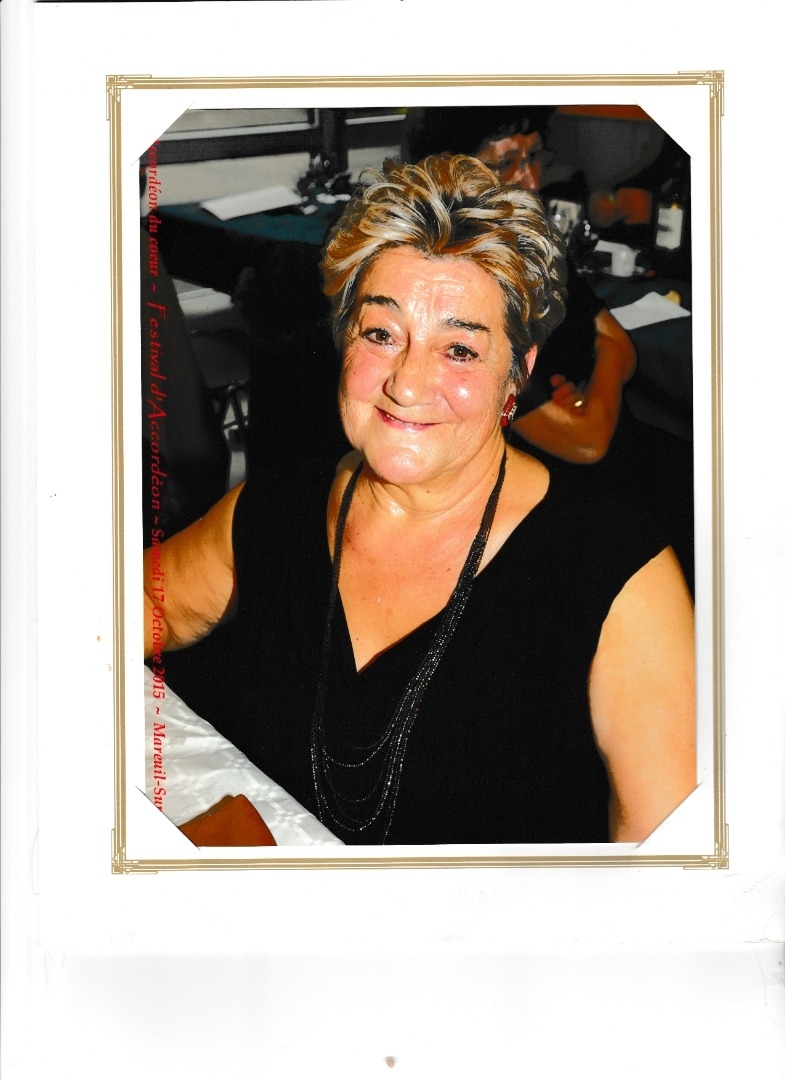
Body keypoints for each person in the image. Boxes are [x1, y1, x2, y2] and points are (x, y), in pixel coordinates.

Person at [144, 155, 695, 847]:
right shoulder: (273, 510)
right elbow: (100, 623)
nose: (406, 383)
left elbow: (668, 876)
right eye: (381, 334)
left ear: (517, 374)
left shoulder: (618, 575)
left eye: (459, 349)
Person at [404, 106, 637, 466]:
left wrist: (589, 396)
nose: (531, 182)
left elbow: (619, 343)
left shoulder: (529, 245)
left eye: (533, 158)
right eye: (506, 163)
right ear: (450, 174)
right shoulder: (453, 287)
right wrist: (598, 386)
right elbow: (585, 441)